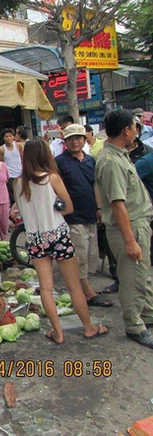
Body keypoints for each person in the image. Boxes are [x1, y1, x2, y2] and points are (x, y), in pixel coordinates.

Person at [14, 139, 108, 343]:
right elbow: (68, 207)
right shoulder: (52, 178)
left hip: (35, 239)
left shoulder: (18, 182)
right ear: (45, 155)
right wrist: (55, 209)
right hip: (57, 236)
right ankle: (89, 327)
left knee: (45, 287)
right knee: (74, 286)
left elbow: (21, 211)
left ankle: (58, 332)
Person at [96, 109, 153, 349]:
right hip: (128, 228)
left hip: (137, 225)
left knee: (143, 276)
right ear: (126, 130)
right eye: (134, 127)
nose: (136, 132)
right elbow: (117, 205)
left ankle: (147, 315)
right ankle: (134, 326)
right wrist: (130, 241)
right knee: (132, 280)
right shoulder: (111, 161)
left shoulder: (119, 155)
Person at [55, 124, 113, 308]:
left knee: (90, 255)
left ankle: (80, 288)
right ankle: (87, 293)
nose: (75, 142)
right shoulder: (59, 162)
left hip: (91, 215)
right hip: (72, 217)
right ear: (65, 142)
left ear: (84, 139)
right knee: (79, 255)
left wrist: (99, 208)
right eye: (71, 139)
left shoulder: (90, 161)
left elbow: (95, 185)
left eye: (78, 138)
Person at [0, 128, 23, 204]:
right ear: (3, 138)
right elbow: (1, 163)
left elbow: (22, 159)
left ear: (13, 137)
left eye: (10, 136)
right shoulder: (1, 149)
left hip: (20, 174)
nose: (8, 138)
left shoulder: (19, 146)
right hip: (9, 176)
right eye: (6, 136)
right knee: (12, 196)